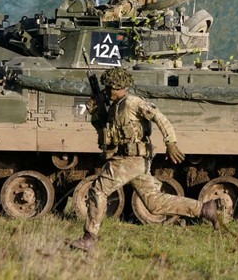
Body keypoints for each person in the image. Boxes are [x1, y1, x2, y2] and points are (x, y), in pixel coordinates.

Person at [69, 67, 219, 252]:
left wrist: (170, 142)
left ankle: (89, 238)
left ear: (117, 87)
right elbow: (104, 130)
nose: (106, 91)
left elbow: (159, 117)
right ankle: (204, 209)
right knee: (154, 204)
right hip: (133, 161)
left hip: (129, 160)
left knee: (98, 190)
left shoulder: (133, 103)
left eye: (108, 88)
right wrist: (95, 108)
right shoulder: (116, 106)